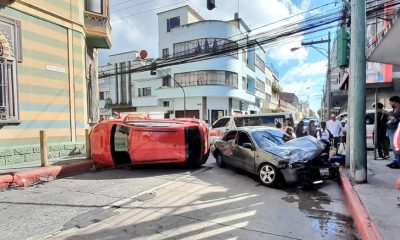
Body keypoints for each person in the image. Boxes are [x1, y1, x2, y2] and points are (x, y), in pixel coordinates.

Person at [387, 96, 400, 169]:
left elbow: (395, 116)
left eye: (391, 102)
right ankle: (396, 161)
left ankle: (398, 162)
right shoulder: (395, 108)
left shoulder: (398, 108)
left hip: (396, 129)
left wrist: (386, 113)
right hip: (392, 129)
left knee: (396, 147)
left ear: (395, 102)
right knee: (394, 147)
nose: (390, 103)